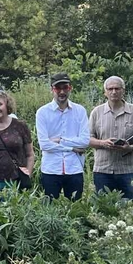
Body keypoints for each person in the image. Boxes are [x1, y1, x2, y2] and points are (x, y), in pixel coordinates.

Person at [88, 76, 133, 201]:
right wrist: (102, 143)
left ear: (123, 90)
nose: (114, 92)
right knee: (104, 209)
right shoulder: (96, 112)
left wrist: (131, 147)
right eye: (110, 89)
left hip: (127, 170)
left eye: (117, 88)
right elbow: (88, 139)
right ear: (105, 92)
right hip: (102, 170)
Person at [35, 72, 90, 200]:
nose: (61, 92)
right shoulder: (42, 112)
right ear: (52, 90)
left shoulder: (80, 111)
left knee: (76, 208)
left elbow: (85, 141)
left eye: (65, 87)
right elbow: (44, 144)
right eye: (57, 88)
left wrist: (60, 140)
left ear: (70, 88)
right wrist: (72, 148)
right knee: (49, 209)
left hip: (74, 168)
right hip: (51, 169)